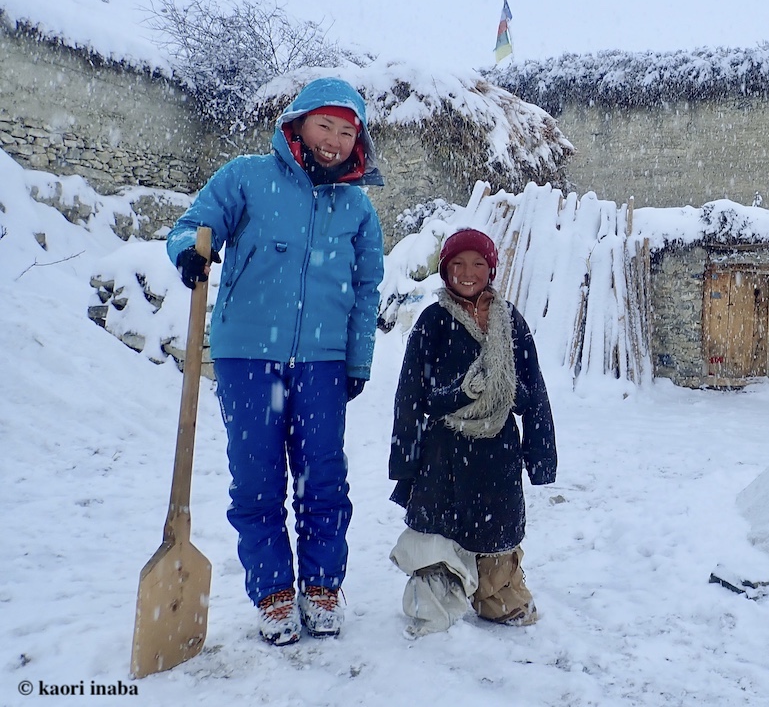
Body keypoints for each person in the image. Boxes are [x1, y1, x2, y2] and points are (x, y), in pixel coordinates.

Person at [166, 76, 385, 645]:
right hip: (247, 356)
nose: (334, 140)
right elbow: (192, 225)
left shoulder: (358, 207)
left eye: (346, 131)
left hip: (323, 361)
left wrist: (357, 360)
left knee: (323, 478)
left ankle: (320, 585)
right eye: (325, 126)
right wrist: (190, 250)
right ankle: (272, 591)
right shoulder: (247, 178)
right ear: (298, 123)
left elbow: (367, 290)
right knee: (258, 478)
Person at [389, 228, 556, 634]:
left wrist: (541, 454)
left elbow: (532, 388)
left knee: (495, 531)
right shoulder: (432, 321)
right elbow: (412, 392)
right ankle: (435, 602)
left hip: (498, 450)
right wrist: (406, 461)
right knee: (438, 533)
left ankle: (495, 594)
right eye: (458, 264)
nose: (468, 273)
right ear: (445, 270)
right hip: (444, 449)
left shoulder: (510, 320)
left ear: (491, 269)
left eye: (478, 264)